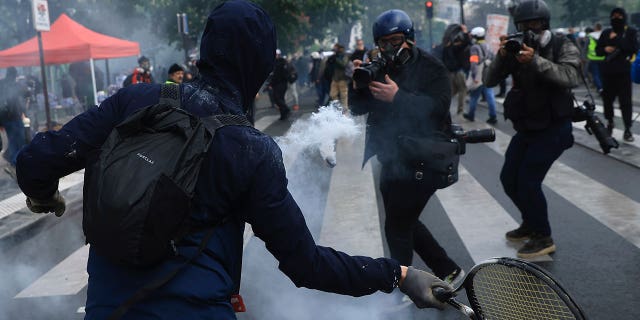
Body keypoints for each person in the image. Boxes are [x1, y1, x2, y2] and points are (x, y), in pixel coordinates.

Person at [15, 2, 453, 318]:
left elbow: (36, 162)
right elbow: (307, 265)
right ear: (259, 67)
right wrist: (396, 274)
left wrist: (44, 195)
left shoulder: (135, 99)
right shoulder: (251, 150)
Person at [350, 9, 465, 285]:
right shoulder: (379, 67)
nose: (390, 48)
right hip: (391, 156)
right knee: (404, 219)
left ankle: (402, 286)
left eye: (396, 40)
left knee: (397, 226)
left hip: (424, 156)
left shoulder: (432, 67)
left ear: (409, 39)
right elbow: (357, 108)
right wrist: (357, 84)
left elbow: (437, 109)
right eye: (384, 42)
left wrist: (398, 97)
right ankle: (448, 270)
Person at [484, 0, 581, 259]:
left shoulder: (561, 44)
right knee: (508, 178)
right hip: (527, 126)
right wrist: (503, 56)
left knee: (528, 181)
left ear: (544, 23)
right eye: (523, 25)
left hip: (554, 127)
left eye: (534, 25)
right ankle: (530, 222)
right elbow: (488, 80)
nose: (529, 29)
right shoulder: (515, 49)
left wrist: (535, 60)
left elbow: (571, 76)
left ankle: (543, 235)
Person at [596, 7, 639, 142]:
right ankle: (610, 122)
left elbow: (633, 48)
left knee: (625, 102)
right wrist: (605, 48)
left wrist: (617, 39)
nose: (616, 18)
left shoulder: (630, 32)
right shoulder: (606, 32)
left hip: (624, 73)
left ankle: (627, 129)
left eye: (619, 16)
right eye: (614, 16)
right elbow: (598, 50)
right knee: (607, 101)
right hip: (608, 72)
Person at [434, 24, 471, 114]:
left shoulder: (443, 47)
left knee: (452, 91)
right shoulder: (453, 48)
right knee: (462, 89)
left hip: (449, 72)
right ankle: (460, 110)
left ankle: (442, 105)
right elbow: (466, 42)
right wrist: (465, 31)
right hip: (457, 71)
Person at [463, 26, 498, 125]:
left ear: (475, 37)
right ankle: (493, 116)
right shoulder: (488, 45)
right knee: (490, 97)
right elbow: (493, 58)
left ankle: (471, 115)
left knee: (474, 97)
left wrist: (474, 77)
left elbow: (473, 64)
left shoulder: (474, 48)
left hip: (479, 76)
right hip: (488, 75)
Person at [0, 67, 27, 178]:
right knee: (20, 141)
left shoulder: (1, 84)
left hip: (5, 119)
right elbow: (23, 94)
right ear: (14, 75)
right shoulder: (14, 85)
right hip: (14, 118)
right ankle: (15, 163)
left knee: (12, 141)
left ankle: (14, 162)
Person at [268, 49, 293, 120]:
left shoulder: (280, 63)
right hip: (280, 84)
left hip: (280, 84)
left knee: (278, 99)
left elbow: (276, 75)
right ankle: (283, 115)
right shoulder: (279, 62)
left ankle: (286, 110)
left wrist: (271, 83)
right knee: (280, 99)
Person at [329, 43, 351, 112]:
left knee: (344, 97)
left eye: (335, 48)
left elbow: (343, 64)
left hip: (343, 79)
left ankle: (345, 113)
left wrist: (336, 59)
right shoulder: (335, 56)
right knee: (332, 95)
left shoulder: (345, 55)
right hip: (335, 78)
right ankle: (338, 109)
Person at [586, 23, 605, 95]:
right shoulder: (604, 35)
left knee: (595, 74)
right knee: (602, 73)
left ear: (595, 28)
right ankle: (604, 87)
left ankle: (600, 88)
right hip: (603, 57)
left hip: (593, 58)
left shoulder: (590, 36)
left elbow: (585, 47)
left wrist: (583, 57)